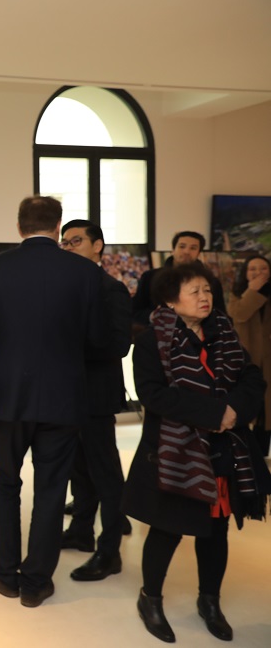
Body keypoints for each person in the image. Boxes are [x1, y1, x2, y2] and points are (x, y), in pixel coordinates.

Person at [123, 263, 269, 643]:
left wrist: (234, 411)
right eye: (195, 291)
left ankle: (210, 600)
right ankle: (150, 598)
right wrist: (215, 413)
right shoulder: (152, 341)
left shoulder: (223, 332)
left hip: (222, 450)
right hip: (176, 455)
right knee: (167, 530)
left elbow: (252, 377)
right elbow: (154, 395)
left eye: (208, 290)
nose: (205, 297)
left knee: (215, 532)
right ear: (171, 301)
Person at [0, 196, 103, 608]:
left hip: (11, 396)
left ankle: (5, 572)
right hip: (65, 397)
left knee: (6, 482)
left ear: (19, 226)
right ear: (58, 226)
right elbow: (96, 339)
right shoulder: (85, 271)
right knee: (52, 488)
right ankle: (36, 582)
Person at [57, 220, 133, 581]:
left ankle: (110, 550)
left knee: (105, 473)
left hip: (97, 395)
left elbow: (119, 345)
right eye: (65, 242)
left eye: (76, 241)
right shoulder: (63, 286)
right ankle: (81, 531)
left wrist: (69, 344)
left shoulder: (111, 289)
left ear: (98, 246)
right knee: (77, 467)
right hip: (66, 393)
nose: (68, 247)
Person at [132, 231, 227, 332]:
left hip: (201, 335)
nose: (186, 251)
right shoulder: (150, 277)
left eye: (193, 248)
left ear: (199, 253)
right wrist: (153, 316)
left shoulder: (211, 281)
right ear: (173, 250)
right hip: (157, 334)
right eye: (182, 246)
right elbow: (134, 311)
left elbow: (221, 315)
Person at [227, 255, 271, 455]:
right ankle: (249, 454)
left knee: (267, 408)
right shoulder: (238, 294)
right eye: (252, 269)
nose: (258, 273)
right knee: (251, 404)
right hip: (248, 357)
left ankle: (262, 452)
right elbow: (239, 314)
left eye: (263, 268)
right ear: (245, 273)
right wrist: (252, 291)